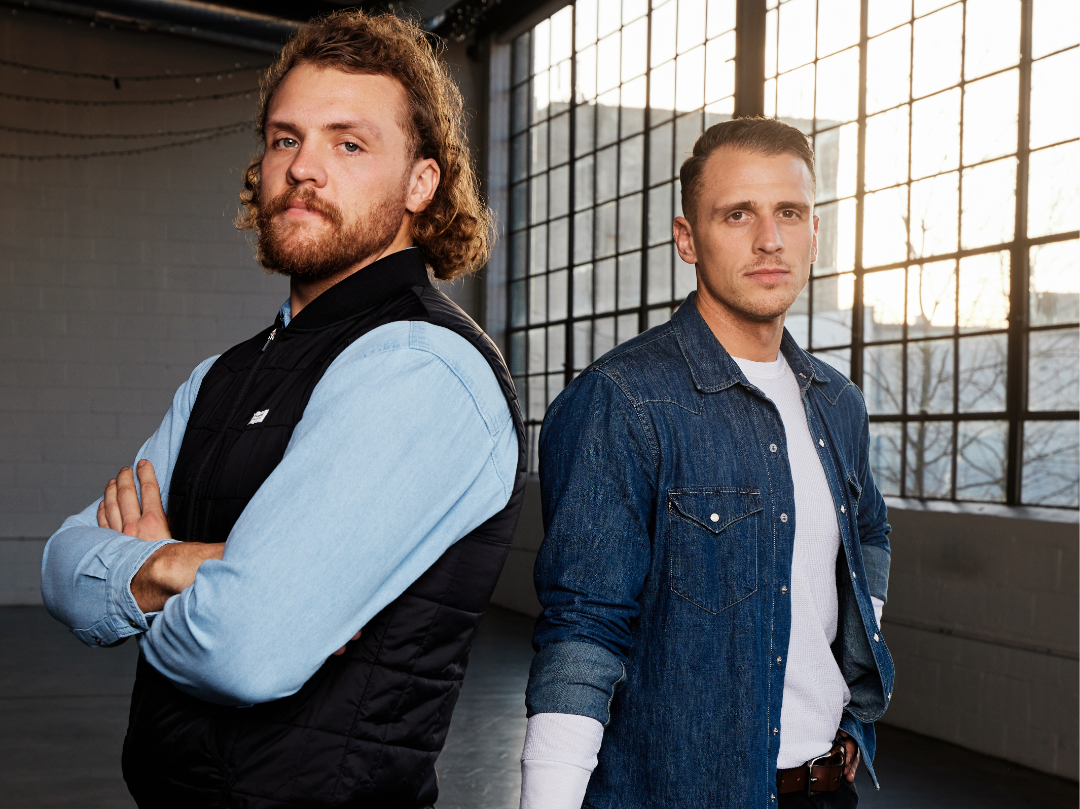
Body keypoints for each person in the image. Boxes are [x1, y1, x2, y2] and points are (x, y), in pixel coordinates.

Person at [40, 11, 524, 809]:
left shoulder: (422, 366)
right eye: (286, 138)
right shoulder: (220, 377)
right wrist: (176, 564)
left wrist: (153, 584)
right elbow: (61, 562)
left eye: (349, 142)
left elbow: (245, 646)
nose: (304, 168)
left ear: (420, 183)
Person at [518, 117, 894, 809]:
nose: (769, 239)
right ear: (687, 238)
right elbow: (583, 627)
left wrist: (845, 697)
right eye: (737, 213)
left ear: (816, 231)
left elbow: (868, 528)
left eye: (789, 212)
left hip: (825, 786)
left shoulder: (837, 404)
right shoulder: (622, 401)